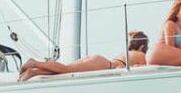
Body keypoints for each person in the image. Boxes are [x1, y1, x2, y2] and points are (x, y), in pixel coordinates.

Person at [18, 31, 149, 81]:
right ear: (142, 46)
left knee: (63, 70)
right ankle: (35, 63)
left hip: (100, 61)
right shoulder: (140, 55)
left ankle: (33, 72)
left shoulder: (125, 53)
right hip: (103, 65)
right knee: (66, 69)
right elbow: (144, 72)